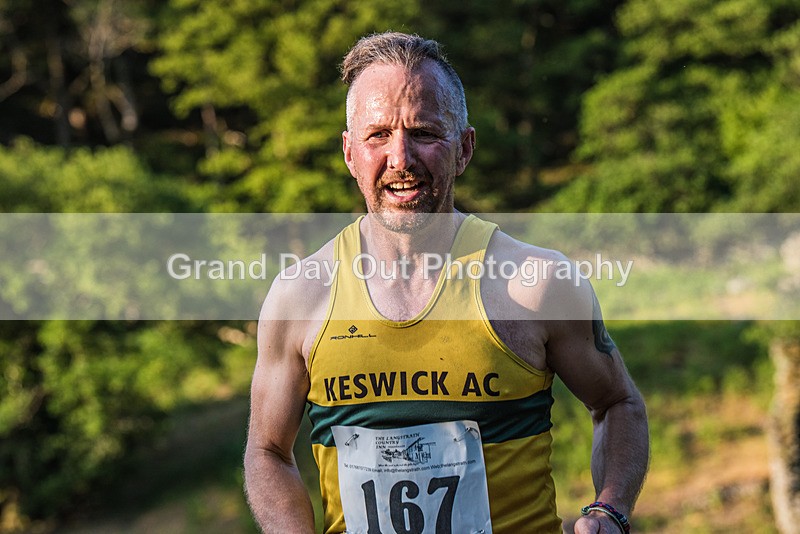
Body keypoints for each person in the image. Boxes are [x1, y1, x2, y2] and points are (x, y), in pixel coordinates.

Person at [244, 31, 649, 534]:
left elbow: (617, 404)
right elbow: (267, 451)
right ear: (350, 154)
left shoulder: (536, 284)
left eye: (424, 133)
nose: (401, 158)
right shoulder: (300, 295)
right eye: (378, 135)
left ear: (464, 148)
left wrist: (609, 510)